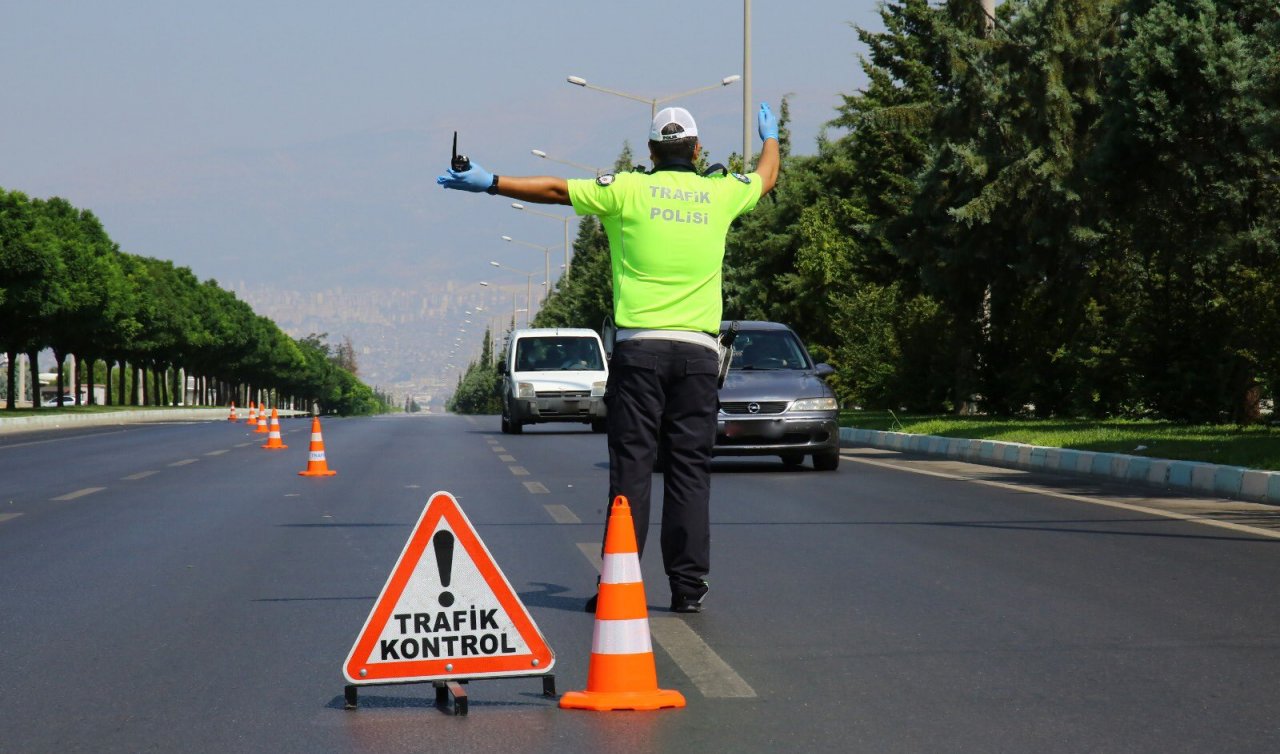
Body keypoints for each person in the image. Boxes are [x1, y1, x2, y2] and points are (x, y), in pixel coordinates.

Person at [438, 103, 780, 613]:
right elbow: (766, 178)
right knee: (689, 472)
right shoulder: (721, 193)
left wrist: (491, 182)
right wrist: (770, 139)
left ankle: (620, 582)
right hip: (698, 356)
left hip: (639, 353)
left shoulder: (626, 189)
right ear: (697, 150)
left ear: (650, 151)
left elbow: (556, 191)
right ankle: (688, 589)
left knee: (633, 470)